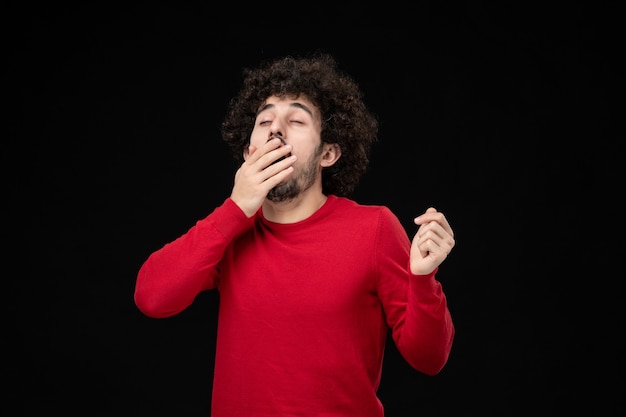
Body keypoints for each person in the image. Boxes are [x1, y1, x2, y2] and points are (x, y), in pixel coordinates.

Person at [134, 53, 456, 416]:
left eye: (297, 119)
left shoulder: (375, 228)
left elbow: (429, 358)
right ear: (248, 152)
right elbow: (151, 297)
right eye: (265, 119)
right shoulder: (228, 232)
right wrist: (235, 208)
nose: (276, 129)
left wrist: (423, 278)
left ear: (329, 153)